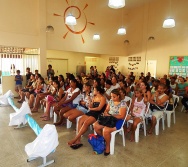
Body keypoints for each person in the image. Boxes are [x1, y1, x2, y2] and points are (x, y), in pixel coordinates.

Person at [93, 89, 127, 156]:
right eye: (111, 96)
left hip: (118, 120)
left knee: (106, 130)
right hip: (108, 118)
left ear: (118, 96)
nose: (112, 98)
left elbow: (121, 116)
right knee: (95, 125)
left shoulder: (123, 103)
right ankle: (104, 139)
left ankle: (108, 146)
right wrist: (106, 112)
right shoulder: (111, 101)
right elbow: (107, 109)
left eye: (114, 97)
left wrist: (110, 115)